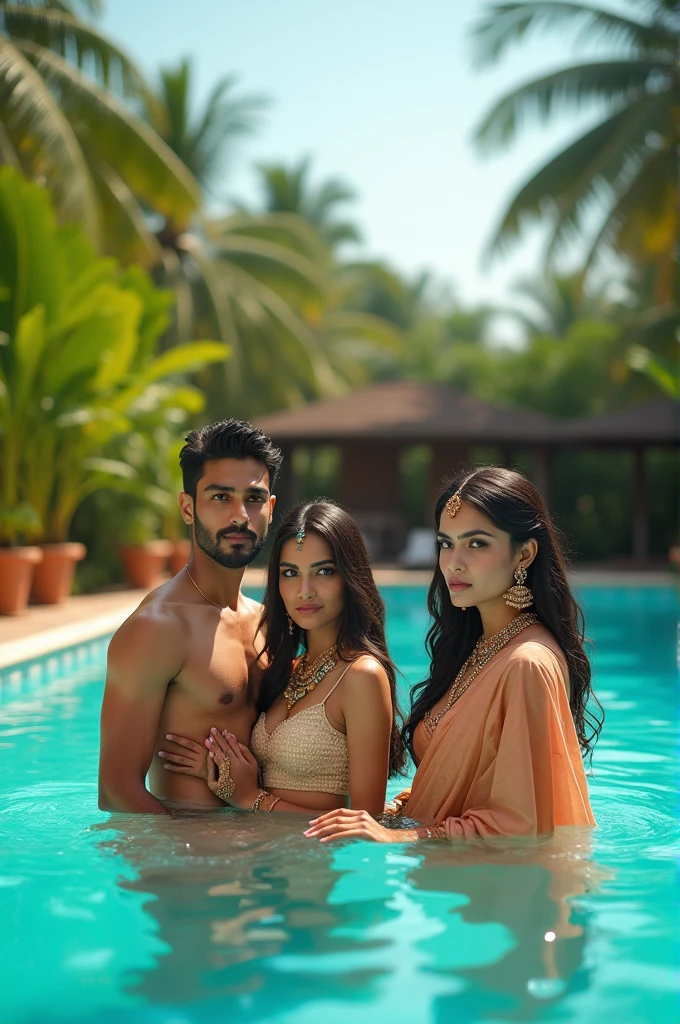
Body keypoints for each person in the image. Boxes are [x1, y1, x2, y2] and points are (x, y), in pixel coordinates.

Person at [305, 466, 602, 843]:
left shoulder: (528, 663)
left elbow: (520, 827)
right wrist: (394, 815)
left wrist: (400, 837)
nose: (453, 563)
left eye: (476, 544)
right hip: (457, 887)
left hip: (503, 892)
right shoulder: (480, 647)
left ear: (524, 554)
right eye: (446, 544)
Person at [161, 501, 405, 815]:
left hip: (318, 860)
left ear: (350, 578)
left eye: (323, 572)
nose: (304, 590)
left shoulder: (362, 676)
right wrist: (220, 769)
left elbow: (364, 823)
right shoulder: (288, 670)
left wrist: (253, 799)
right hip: (264, 853)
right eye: (290, 573)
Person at [98, 419, 282, 814]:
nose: (239, 516)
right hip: (186, 858)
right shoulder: (159, 627)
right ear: (187, 507)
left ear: (270, 508)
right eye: (220, 497)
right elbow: (116, 789)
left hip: (257, 849)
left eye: (253, 498)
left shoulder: (268, 621)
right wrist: (188, 861)